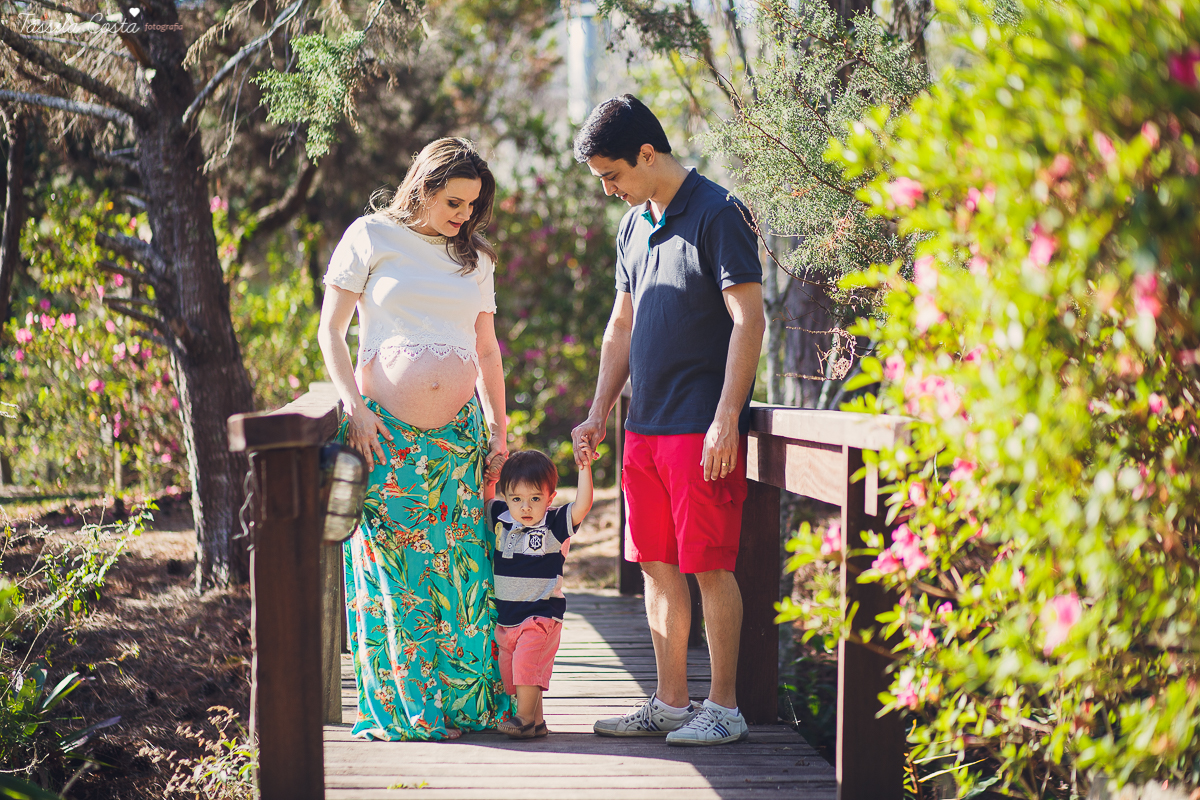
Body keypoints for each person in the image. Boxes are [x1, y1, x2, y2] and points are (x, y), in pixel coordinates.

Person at [570, 95, 766, 747]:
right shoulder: (632, 226)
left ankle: (726, 707)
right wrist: (599, 410)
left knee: (709, 565)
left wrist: (726, 417)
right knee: (656, 563)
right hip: (642, 430)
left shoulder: (718, 213)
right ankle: (671, 701)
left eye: (613, 176)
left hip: (697, 429)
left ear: (646, 154)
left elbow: (748, 320)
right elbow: (621, 324)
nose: (609, 190)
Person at [317, 137, 514, 741]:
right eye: (453, 201)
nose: (462, 215)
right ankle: (412, 712)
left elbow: (485, 349)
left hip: (460, 441)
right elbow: (331, 330)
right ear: (423, 186)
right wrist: (354, 406)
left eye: (472, 206)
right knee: (398, 575)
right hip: (388, 438)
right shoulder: (371, 236)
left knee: (461, 573)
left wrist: (499, 430)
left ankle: (464, 708)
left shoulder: (473, 258)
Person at [486, 449, 593, 739]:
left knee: (525, 667)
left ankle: (522, 718)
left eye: (535, 498)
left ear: (550, 497)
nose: (525, 507)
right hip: (507, 619)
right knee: (516, 672)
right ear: (506, 496)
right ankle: (536, 722)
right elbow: (484, 501)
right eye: (516, 499)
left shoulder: (554, 524)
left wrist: (584, 467)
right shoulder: (500, 518)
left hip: (541, 615)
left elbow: (582, 505)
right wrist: (491, 476)